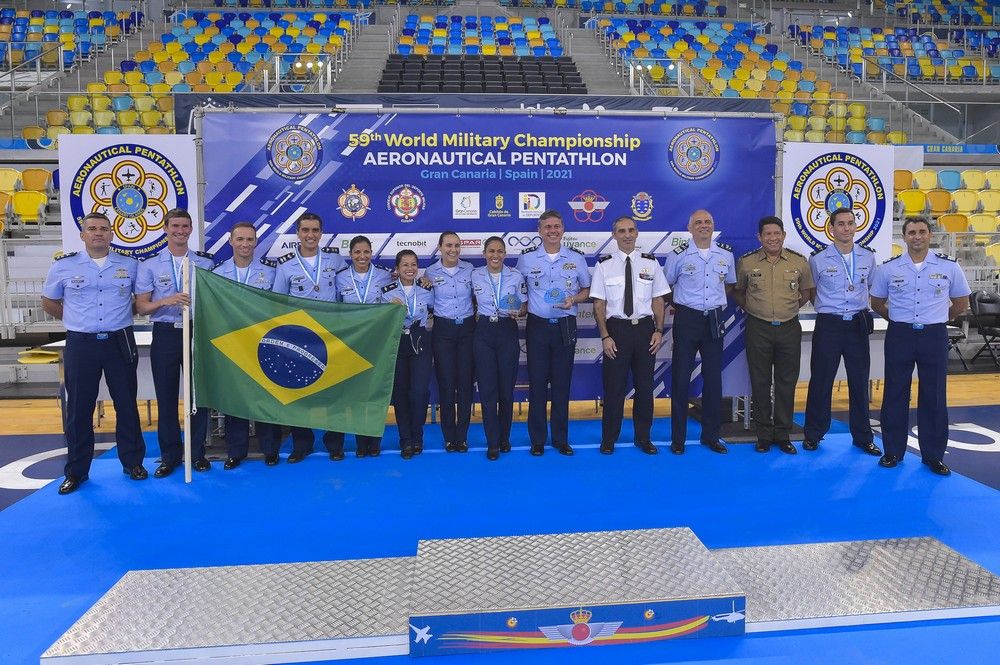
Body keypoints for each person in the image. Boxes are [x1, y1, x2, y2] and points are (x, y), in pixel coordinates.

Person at [42, 212, 147, 494]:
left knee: (126, 404)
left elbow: (140, 302)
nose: (98, 233)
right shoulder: (63, 267)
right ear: (83, 234)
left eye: (103, 229)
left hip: (119, 340)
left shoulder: (130, 265)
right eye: (92, 229)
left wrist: (121, 314)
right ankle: (76, 472)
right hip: (81, 343)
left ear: (112, 234)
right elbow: (49, 302)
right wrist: (75, 318)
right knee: (78, 408)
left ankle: (133, 463)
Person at [870, 216, 970, 476]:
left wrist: (940, 319)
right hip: (900, 334)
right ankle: (892, 451)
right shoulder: (889, 269)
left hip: (934, 335)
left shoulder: (950, 268)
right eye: (912, 232)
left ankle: (933, 455)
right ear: (903, 237)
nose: (917, 236)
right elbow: (877, 301)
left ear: (930, 235)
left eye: (922, 232)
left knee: (935, 394)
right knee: (895, 393)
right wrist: (895, 319)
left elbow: (961, 301)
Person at [135, 208, 214, 477]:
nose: (180, 231)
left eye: (185, 226)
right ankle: (169, 456)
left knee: (197, 396)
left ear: (191, 230)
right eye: (175, 226)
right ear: (166, 228)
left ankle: (197, 454)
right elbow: (141, 307)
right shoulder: (149, 265)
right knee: (166, 397)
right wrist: (164, 301)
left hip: (197, 332)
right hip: (166, 333)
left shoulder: (204, 263)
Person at [802, 209, 881, 456]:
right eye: (841, 224)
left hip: (857, 324)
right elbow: (813, 291)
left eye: (850, 223)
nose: (846, 228)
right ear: (832, 228)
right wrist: (831, 311)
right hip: (829, 324)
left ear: (855, 226)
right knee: (821, 381)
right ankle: (813, 434)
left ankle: (862, 437)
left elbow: (872, 288)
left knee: (859, 382)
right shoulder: (818, 258)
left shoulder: (868, 257)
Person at [734, 216, 814, 455]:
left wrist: (787, 310)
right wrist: (754, 308)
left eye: (776, 233)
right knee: (760, 382)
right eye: (767, 234)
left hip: (789, 327)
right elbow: (739, 292)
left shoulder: (799, 262)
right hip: (758, 328)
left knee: (786, 383)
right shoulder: (747, 263)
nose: (772, 238)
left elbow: (807, 292)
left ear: (784, 235)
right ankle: (763, 435)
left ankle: (783, 433)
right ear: (760, 237)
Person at [591, 216, 669, 455]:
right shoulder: (604, 265)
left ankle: (643, 438)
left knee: (645, 388)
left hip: (645, 330)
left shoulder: (651, 263)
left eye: (631, 230)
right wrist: (605, 336)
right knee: (614, 389)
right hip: (617, 331)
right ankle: (609, 439)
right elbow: (598, 305)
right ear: (613, 235)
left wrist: (658, 330)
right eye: (621, 231)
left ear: (637, 233)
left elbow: (658, 299)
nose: (627, 235)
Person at [516, 210, 592, 456]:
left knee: (561, 385)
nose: (552, 230)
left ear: (563, 229)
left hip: (565, 326)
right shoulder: (526, 259)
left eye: (557, 226)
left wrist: (574, 299)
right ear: (539, 231)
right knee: (537, 384)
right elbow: (519, 290)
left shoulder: (576, 258)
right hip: (537, 326)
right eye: (547, 226)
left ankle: (560, 439)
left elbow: (587, 290)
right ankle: (537, 440)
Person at [271, 212, 345, 463]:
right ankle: (302, 444)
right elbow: (279, 303)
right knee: (299, 390)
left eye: (315, 230)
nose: (310, 235)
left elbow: (350, 287)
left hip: (330, 335)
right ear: (297, 234)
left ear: (321, 233)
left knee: (333, 391)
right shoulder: (285, 264)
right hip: (299, 338)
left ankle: (335, 443)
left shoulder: (336, 260)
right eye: (305, 230)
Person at [210, 221, 284, 468]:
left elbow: (277, 310)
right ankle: (236, 451)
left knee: (266, 397)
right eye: (239, 239)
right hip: (232, 345)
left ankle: (270, 448)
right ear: (231, 241)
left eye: (249, 240)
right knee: (236, 398)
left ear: (255, 242)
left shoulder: (270, 273)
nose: (244, 244)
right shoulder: (217, 274)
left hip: (263, 343)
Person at [663, 209, 735, 455]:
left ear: (713, 226)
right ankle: (678, 439)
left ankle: (712, 436)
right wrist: (686, 307)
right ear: (689, 227)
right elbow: (666, 287)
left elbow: (729, 284)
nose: (704, 226)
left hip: (714, 318)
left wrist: (711, 303)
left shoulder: (725, 254)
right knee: (681, 379)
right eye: (699, 222)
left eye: (708, 222)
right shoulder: (678, 255)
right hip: (687, 319)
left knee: (713, 379)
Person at [334, 235, 394, 457]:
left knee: (373, 393)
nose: (362, 256)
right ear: (350, 255)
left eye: (366, 252)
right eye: (357, 252)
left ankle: (373, 441)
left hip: (377, 342)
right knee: (352, 393)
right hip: (349, 343)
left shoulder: (384, 276)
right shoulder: (340, 278)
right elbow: (335, 309)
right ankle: (360, 443)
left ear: (372, 253)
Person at [471, 237, 528, 460]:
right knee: (487, 391)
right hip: (483, 331)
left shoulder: (516, 275)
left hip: (507, 330)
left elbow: (524, 306)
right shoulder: (474, 274)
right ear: (484, 253)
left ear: (505, 254)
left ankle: (505, 438)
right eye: (492, 251)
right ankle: (492, 442)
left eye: (500, 251)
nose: (496, 255)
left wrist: (519, 312)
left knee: (506, 390)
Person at [423, 231, 475, 453]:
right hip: (442, 331)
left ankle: (461, 437)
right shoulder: (430, 272)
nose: (453, 250)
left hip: (467, 330)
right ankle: (448, 437)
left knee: (464, 384)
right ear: (440, 247)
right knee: (446, 385)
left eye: (456, 246)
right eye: (448, 246)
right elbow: (425, 301)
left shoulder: (470, 270)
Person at [382, 250, 435, 460]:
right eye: (405, 265)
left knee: (420, 392)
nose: (410, 269)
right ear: (397, 268)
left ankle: (417, 436)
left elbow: (437, 309)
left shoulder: (427, 289)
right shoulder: (386, 292)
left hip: (420, 339)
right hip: (396, 342)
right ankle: (405, 440)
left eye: (413, 264)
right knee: (401, 393)